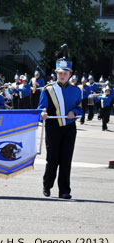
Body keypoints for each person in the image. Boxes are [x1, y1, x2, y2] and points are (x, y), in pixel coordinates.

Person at [38, 44, 83, 199]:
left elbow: (80, 109)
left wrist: (74, 112)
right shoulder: (48, 89)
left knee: (66, 160)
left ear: (70, 74)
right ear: (56, 73)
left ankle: (64, 190)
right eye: (60, 73)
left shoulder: (77, 91)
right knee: (52, 159)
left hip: (69, 128)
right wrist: (43, 113)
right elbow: (41, 108)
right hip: (53, 127)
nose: (62, 76)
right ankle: (47, 186)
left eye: (65, 73)